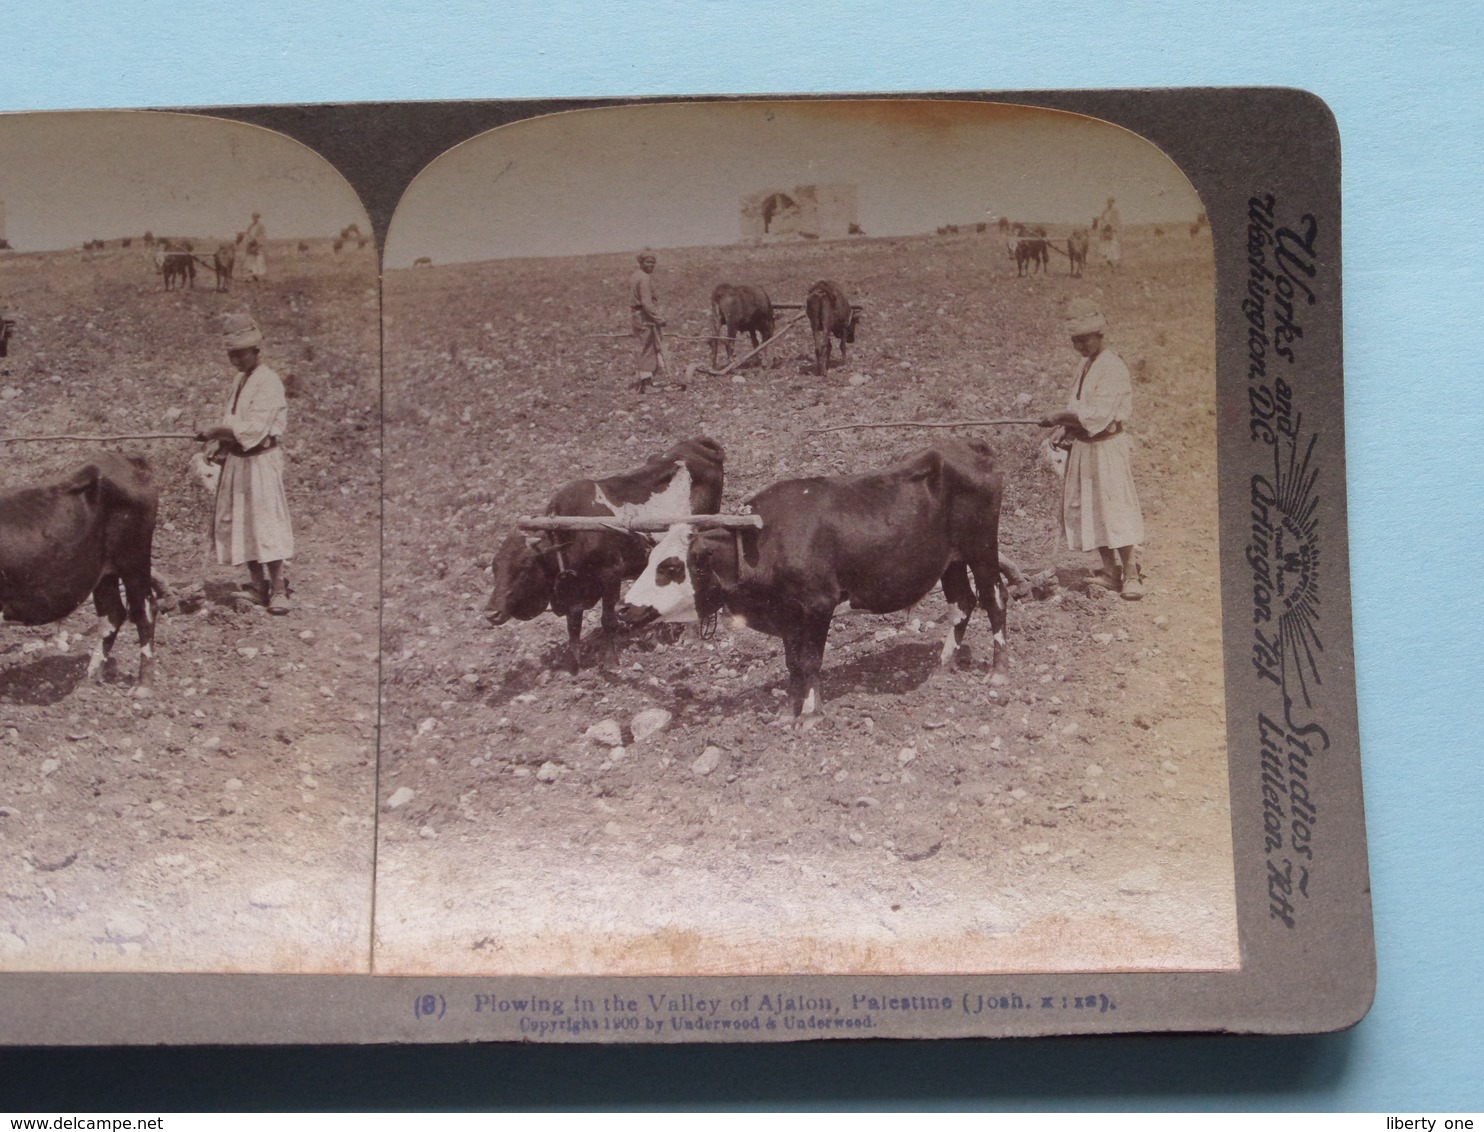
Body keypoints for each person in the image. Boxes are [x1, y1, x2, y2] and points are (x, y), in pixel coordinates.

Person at [1039, 298, 1145, 599]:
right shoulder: (1085, 365)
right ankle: (1109, 570)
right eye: (1075, 341)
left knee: (1115, 508)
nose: (1079, 347)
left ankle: (1131, 574)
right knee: (1092, 508)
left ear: (1099, 336)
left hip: (1107, 449)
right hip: (1085, 447)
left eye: (1083, 340)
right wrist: (1065, 428)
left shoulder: (1112, 367)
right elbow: (1079, 406)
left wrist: (1060, 416)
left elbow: (1097, 415)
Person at [196, 312, 295, 613]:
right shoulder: (240, 380)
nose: (236, 360)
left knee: (265, 523)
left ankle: (278, 588)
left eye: (241, 354)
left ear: (255, 351)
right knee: (242, 523)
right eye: (231, 355)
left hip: (261, 462)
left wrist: (216, 431)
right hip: (239, 461)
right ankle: (256, 584)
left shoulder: (269, 382)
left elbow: (253, 429)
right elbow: (234, 421)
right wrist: (220, 446)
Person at [629, 251, 668, 392]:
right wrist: (659, 319)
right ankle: (646, 385)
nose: (651, 265)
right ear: (641, 262)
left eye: (653, 262)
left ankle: (643, 381)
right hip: (644, 316)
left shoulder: (635, 276)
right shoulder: (644, 278)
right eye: (648, 262)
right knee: (648, 348)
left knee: (644, 347)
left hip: (637, 315)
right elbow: (647, 303)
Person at [245, 211, 267, 282]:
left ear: (258, 218)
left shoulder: (261, 226)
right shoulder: (250, 226)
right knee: (250, 261)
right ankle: (251, 277)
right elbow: (247, 234)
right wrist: (248, 240)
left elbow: (262, 236)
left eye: (256, 217)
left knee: (258, 261)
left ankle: (258, 277)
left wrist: (257, 243)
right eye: (253, 217)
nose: (254, 218)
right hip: (250, 245)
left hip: (257, 245)